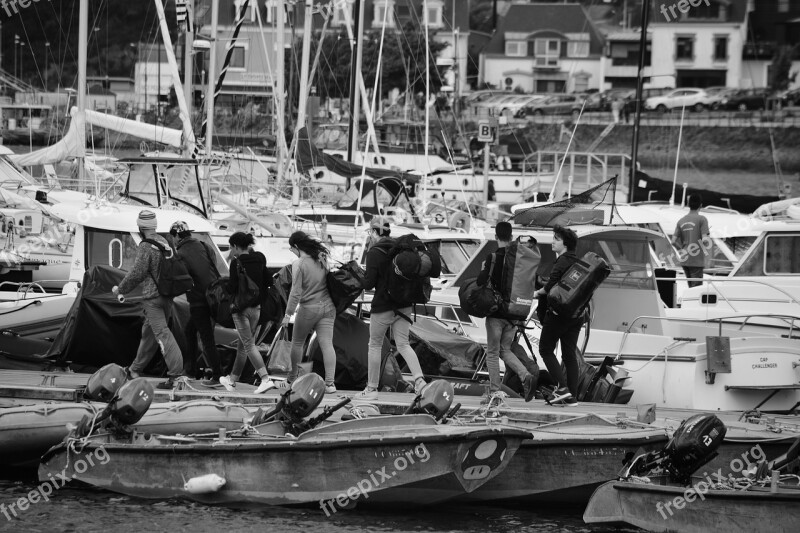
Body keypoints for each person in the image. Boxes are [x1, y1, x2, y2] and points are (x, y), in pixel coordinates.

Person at [113, 210, 187, 390]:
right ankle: (135, 369)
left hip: (152, 298)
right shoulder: (165, 242)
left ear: (140, 226)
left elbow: (137, 273)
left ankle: (176, 375)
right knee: (149, 333)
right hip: (167, 296)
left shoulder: (146, 246)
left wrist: (120, 289)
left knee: (162, 334)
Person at [356, 217, 426, 400]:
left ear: (373, 232)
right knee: (403, 344)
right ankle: (420, 382)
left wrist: (358, 277)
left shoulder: (374, 252)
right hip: (404, 306)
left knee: (375, 345)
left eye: (370, 232)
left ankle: (371, 389)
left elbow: (369, 284)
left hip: (383, 307)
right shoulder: (400, 248)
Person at [476, 221, 538, 404]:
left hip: (496, 313)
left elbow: (481, 282)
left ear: (496, 237)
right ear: (511, 237)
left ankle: (495, 391)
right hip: (514, 313)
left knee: (493, 352)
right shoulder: (519, 259)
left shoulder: (493, 257)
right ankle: (525, 375)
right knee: (505, 349)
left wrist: (483, 270)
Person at [532, 225, 582, 406]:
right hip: (577, 315)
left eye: (556, 239)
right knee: (569, 354)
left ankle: (562, 388)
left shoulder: (561, 262)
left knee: (545, 349)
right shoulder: (578, 262)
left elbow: (549, 287)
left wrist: (536, 293)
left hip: (559, 313)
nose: (553, 241)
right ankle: (572, 397)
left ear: (565, 244)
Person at [219, 232, 275, 394]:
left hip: (241, 310)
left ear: (236, 246)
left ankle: (265, 379)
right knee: (243, 346)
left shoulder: (236, 263)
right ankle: (232, 380)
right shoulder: (260, 258)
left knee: (248, 345)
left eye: (231, 247)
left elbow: (232, 288)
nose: (231, 251)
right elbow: (269, 281)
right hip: (257, 309)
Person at [282, 231, 337, 393]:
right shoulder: (322, 257)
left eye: (292, 249)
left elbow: (295, 292)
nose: (292, 252)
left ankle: (292, 379)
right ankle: (330, 384)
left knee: (297, 342)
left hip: (309, 308)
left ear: (297, 247)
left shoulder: (299, 264)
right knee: (327, 344)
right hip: (328, 307)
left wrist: (288, 314)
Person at [171, 221, 223, 387]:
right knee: (190, 331)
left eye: (172, 236)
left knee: (206, 338)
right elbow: (212, 266)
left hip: (198, 301)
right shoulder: (203, 245)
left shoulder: (179, 253)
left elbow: (183, 278)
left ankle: (217, 375)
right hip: (214, 297)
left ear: (176, 235)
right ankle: (191, 369)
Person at [673, 194, 710, 288]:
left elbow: (673, 241)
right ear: (700, 205)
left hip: (684, 259)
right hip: (696, 261)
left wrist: (681, 249)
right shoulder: (702, 219)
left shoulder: (681, 221)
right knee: (696, 290)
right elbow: (705, 240)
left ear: (688, 205)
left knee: (691, 288)